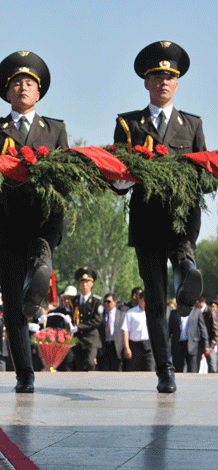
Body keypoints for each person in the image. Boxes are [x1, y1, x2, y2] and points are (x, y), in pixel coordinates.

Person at [112, 41, 206, 393]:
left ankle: (186, 282)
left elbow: (203, 172)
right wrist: (126, 175)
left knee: (184, 257)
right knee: (153, 296)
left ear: (177, 83)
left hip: (182, 214)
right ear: (146, 83)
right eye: (156, 76)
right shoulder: (129, 123)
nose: (163, 82)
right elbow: (118, 180)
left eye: (170, 76)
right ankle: (165, 370)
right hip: (148, 219)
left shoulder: (192, 124)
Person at [0, 51, 69, 393]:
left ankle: (41, 263)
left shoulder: (55, 129)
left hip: (44, 218)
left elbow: (65, 176)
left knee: (42, 247)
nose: (23, 87)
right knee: (12, 303)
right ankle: (24, 374)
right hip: (10, 222)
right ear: (7, 92)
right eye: (17, 84)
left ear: (39, 93)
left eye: (30, 83)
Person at [71, 267, 103, 371]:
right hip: (77, 338)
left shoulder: (96, 302)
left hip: (91, 338)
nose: (84, 285)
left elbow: (97, 320)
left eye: (87, 282)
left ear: (92, 284)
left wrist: (79, 327)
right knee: (78, 365)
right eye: (82, 282)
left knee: (89, 362)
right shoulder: (74, 301)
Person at [169, 297, 208, 373]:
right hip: (178, 346)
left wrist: (206, 345)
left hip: (192, 345)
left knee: (193, 370)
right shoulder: (173, 313)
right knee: (177, 371)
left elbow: (203, 329)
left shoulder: (196, 312)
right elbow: (169, 330)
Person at [122, 290, 154, 372]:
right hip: (135, 346)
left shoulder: (153, 313)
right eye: (144, 300)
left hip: (149, 346)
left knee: (150, 370)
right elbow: (125, 331)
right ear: (140, 299)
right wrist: (127, 347)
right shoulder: (131, 313)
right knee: (133, 372)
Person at [99, 293, 126, 371]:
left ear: (115, 302)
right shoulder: (101, 315)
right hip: (104, 346)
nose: (106, 303)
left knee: (117, 371)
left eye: (108, 301)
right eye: (105, 301)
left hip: (117, 347)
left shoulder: (122, 315)